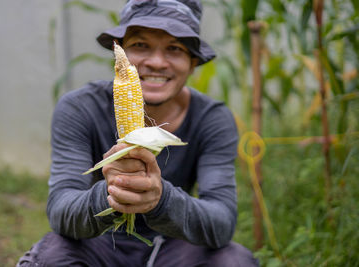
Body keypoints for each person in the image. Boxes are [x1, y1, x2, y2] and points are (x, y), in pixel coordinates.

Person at [17, 0, 259, 266]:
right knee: (52, 256)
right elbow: (62, 211)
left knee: (233, 260)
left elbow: (221, 222)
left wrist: (161, 199)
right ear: (118, 54)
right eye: (140, 45)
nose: (156, 62)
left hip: (173, 246)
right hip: (97, 242)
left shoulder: (212, 119)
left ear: (193, 63)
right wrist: (111, 192)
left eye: (175, 48)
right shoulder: (79, 108)